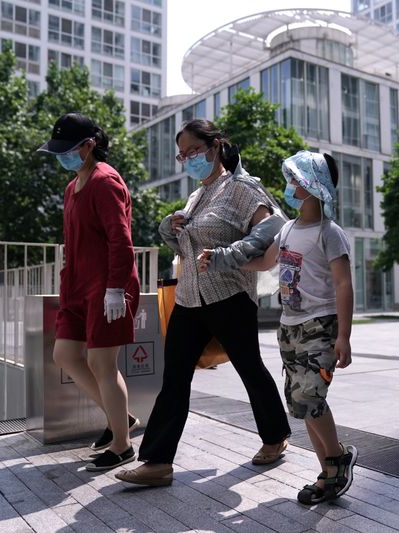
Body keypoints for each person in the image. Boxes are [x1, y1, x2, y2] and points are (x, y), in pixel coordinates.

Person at [116, 119, 290, 487]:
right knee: (174, 376)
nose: (188, 159)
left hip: (229, 297)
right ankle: (158, 461)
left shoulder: (242, 188)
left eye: (194, 150)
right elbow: (187, 247)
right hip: (188, 298)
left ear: (214, 147)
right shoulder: (196, 196)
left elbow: (273, 227)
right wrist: (171, 226)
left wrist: (231, 254)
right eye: (183, 155)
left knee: (250, 369)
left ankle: (275, 436)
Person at [201, 150, 358, 504]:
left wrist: (344, 335)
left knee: (309, 397)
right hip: (289, 327)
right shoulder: (287, 229)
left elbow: (344, 284)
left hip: (320, 325)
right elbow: (263, 262)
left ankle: (337, 461)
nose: (288, 186)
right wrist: (220, 260)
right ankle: (329, 473)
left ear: (310, 184)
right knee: (300, 404)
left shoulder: (329, 233)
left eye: (294, 180)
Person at [36, 113, 141, 471]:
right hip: (78, 286)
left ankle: (123, 446)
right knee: (65, 354)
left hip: (107, 286)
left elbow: (120, 240)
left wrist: (115, 289)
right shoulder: (72, 186)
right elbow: (72, 242)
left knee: (101, 363)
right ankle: (120, 419)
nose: (62, 157)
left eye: (68, 150)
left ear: (88, 146)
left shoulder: (105, 180)